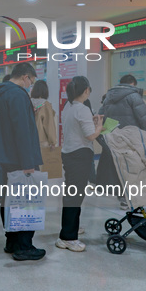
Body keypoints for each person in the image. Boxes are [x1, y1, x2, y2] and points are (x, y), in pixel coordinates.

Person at [0, 62, 45, 261]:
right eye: (31, 80)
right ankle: (24, 246)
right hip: (19, 159)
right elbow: (22, 131)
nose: (31, 84)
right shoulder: (18, 94)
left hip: (4, 157)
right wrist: (27, 161)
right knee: (25, 202)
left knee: (8, 200)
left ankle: (11, 241)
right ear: (25, 77)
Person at [57, 76, 104, 252]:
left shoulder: (68, 106)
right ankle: (67, 237)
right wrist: (99, 125)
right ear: (85, 91)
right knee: (74, 197)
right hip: (80, 155)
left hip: (69, 153)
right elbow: (91, 136)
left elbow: (78, 128)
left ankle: (71, 228)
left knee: (71, 194)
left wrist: (91, 125)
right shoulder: (82, 109)